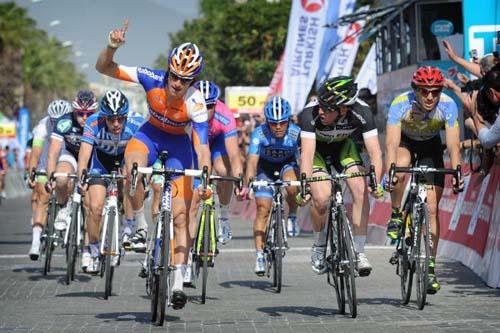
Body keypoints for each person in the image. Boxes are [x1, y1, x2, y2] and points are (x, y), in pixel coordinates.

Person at [95, 23, 211, 310]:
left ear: (193, 81)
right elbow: (104, 69)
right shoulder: (151, 78)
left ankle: (178, 281)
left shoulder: (196, 102)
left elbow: (202, 146)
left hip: (180, 148)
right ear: (168, 70)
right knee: (132, 170)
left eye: (184, 80)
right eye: (173, 76)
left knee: (181, 216)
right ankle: (138, 224)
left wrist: (205, 179)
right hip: (149, 136)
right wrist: (112, 46)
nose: (176, 84)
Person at [385, 66, 464, 294]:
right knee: (400, 171)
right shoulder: (400, 103)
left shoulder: (448, 104)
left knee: (431, 209)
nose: (430, 96)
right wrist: (391, 172)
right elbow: (391, 143)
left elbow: (452, 144)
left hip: (431, 146)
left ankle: (430, 269)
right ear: (415, 90)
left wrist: (457, 170)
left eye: (435, 91)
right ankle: (397, 214)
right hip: (405, 143)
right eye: (424, 91)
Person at [297, 76, 384, 277]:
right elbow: (307, 154)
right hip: (317, 151)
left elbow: (375, 153)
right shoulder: (309, 114)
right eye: (321, 105)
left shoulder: (362, 112)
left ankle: (360, 252)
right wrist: (305, 187)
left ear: (344, 109)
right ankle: (319, 247)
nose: (321, 111)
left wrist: (376, 181)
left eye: (327, 108)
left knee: (361, 190)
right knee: (321, 198)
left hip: (344, 148)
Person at [77, 90, 145, 273]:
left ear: (126, 116)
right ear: (103, 117)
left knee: (130, 177)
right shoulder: (93, 122)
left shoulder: (137, 122)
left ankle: (129, 225)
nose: (116, 124)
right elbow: (84, 153)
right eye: (111, 119)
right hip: (101, 163)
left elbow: (145, 151)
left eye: (120, 119)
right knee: (96, 207)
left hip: (125, 159)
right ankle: (91, 248)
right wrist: (82, 175)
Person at [243, 96, 301, 275]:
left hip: (287, 165)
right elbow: (251, 163)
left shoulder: (295, 133)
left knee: (292, 186)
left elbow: (303, 159)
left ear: (288, 120)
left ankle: (292, 215)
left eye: (282, 123)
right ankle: (259, 254)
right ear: (267, 121)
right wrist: (250, 185)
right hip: (264, 169)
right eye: (273, 123)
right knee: (263, 209)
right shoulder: (259, 133)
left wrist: (304, 183)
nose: (277, 127)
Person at [188, 80, 243, 245]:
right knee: (193, 200)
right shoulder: (186, 111)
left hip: (217, 142)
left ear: (216, 104)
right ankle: (187, 255)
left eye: (210, 106)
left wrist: (239, 180)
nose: (205, 110)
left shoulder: (225, 115)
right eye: (201, 105)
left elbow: (234, 154)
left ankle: (224, 217)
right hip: (195, 144)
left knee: (224, 171)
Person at [46, 90, 98, 232]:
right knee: (61, 178)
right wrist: (51, 178)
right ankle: (63, 206)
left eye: (89, 114)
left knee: (90, 202)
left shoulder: (101, 121)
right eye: (80, 113)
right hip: (71, 154)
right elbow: (53, 153)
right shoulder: (65, 121)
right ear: (74, 111)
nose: (85, 118)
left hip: (92, 158)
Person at [27, 100, 73, 260]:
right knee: (42, 196)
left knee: (69, 186)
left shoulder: (74, 124)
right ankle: (35, 242)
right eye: (54, 120)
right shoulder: (42, 126)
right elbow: (36, 152)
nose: (56, 123)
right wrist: (32, 172)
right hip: (46, 163)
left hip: (66, 161)